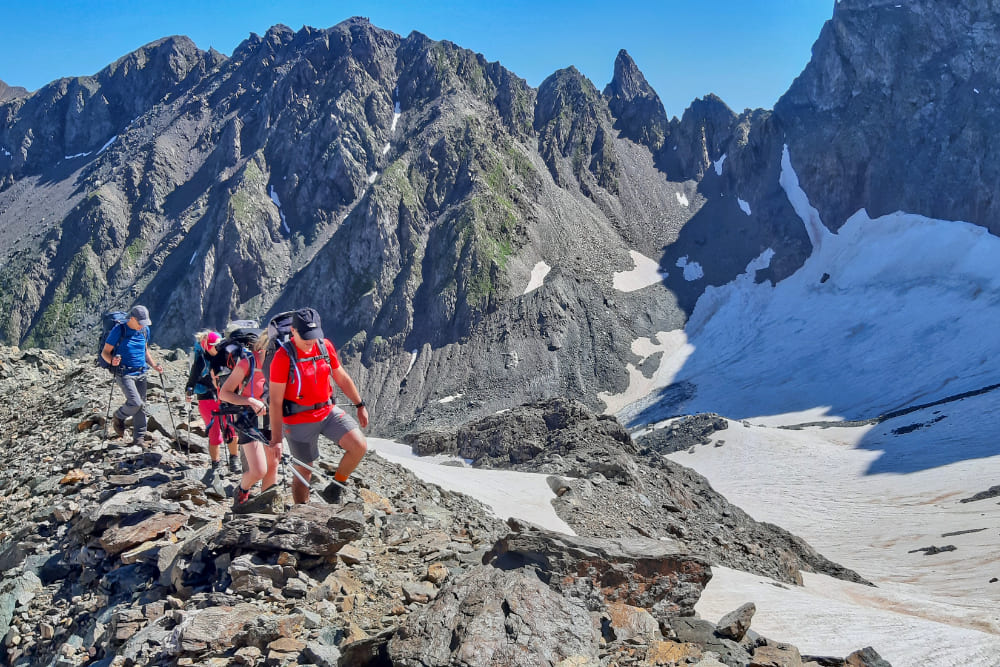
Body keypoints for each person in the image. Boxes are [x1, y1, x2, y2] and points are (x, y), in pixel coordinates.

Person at [268, 308, 369, 504]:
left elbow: (340, 376)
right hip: (297, 420)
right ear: (293, 331)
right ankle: (302, 514)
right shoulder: (282, 357)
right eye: (306, 337)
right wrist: (276, 439)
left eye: (314, 336)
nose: (310, 341)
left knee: (359, 445)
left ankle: (334, 488)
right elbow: (275, 401)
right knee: (304, 471)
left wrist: (359, 404)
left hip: (327, 411)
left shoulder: (324, 346)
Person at [219, 333, 278, 508]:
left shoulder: (279, 364)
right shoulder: (247, 363)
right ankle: (242, 491)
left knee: (273, 464)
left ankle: (265, 506)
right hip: (247, 416)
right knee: (259, 470)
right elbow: (224, 393)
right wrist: (249, 400)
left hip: (270, 415)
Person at [101, 305, 163, 446]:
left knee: (142, 406)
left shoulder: (144, 330)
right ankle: (118, 416)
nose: (142, 326)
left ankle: (139, 439)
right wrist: (112, 361)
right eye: (140, 322)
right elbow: (105, 352)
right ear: (133, 319)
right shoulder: (119, 330)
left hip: (141, 372)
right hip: (124, 373)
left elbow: (145, 350)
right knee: (136, 403)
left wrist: (154, 365)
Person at [184, 330, 240, 471]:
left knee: (230, 428)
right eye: (215, 346)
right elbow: (192, 379)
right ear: (207, 346)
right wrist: (189, 390)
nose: (218, 348)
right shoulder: (200, 360)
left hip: (224, 396)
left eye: (219, 345)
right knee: (214, 432)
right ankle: (217, 463)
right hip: (208, 398)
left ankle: (234, 459)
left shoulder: (224, 356)